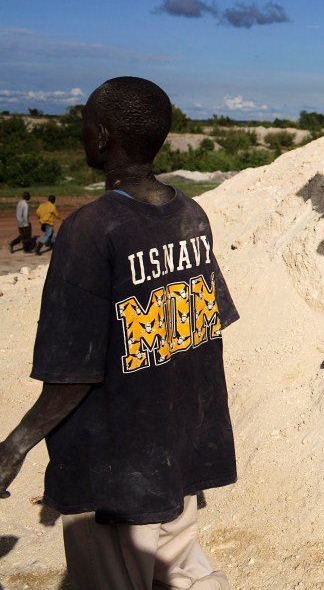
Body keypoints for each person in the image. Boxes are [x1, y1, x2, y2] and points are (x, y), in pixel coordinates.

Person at [0, 77, 238, 589]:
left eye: (86, 124)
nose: (84, 133)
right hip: (174, 457)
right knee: (180, 572)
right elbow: (198, 330)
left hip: (112, 471)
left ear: (103, 136)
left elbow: (73, 374)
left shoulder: (91, 227)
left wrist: (14, 447)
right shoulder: (190, 215)